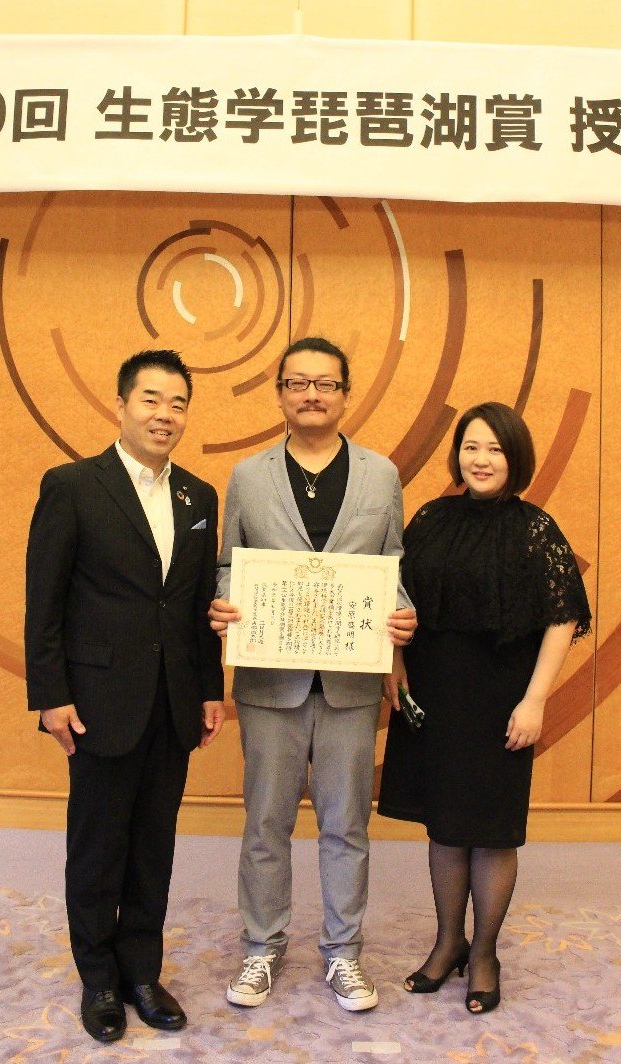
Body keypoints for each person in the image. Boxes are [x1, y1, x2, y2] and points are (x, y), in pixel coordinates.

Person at [208, 337, 416, 1012]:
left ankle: (343, 954)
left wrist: (403, 614)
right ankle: (262, 948)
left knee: (346, 824)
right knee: (265, 823)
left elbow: (394, 569)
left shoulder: (382, 475)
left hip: (352, 683)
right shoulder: (248, 476)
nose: (312, 395)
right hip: (271, 682)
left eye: (326, 384)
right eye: (298, 383)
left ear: (346, 394)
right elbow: (226, 564)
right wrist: (228, 602)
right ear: (280, 393)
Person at [24, 350, 225, 1043]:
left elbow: (198, 604)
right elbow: (43, 601)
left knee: (153, 845)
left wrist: (209, 690)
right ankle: (99, 980)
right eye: (150, 399)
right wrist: (51, 694)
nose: (164, 414)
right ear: (120, 405)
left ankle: (142, 971)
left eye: (177, 403)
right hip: (100, 700)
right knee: (98, 845)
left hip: (173, 704)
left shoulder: (200, 496)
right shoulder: (74, 486)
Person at [379, 401, 591, 1015]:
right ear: (458, 455)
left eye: (495, 449)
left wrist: (535, 701)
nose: (481, 459)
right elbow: (399, 603)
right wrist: (397, 668)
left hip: (502, 700)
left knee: (492, 830)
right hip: (435, 694)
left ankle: (484, 954)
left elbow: (564, 617)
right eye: (472, 446)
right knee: (444, 822)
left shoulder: (536, 529)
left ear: (515, 458)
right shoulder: (429, 519)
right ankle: (447, 943)